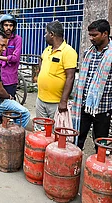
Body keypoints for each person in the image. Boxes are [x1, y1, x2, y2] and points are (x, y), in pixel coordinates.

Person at [72, 19, 112, 151]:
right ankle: (74, 166)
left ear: (105, 34)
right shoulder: (89, 52)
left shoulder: (110, 54)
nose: (91, 38)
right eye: (90, 35)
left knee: (100, 143)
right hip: (84, 105)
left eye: (94, 35)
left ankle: (98, 170)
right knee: (77, 138)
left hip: (103, 107)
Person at [36, 21, 77, 119]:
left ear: (52, 34)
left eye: (46, 33)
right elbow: (41, 61)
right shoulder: (47, 50)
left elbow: (70, 77)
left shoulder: (68, 52)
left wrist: (63, 101)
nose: (45, 36)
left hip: (56, 103)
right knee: (40, 131)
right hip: (40, 99)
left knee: (54, 132)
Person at [0, 14, 22, 98]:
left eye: (11, 25)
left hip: (10, 78)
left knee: (10, 104)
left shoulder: (17, 39)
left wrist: (0, 58)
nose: (8, 28)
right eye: (6, 25)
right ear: (2, 26)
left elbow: (16, 58)